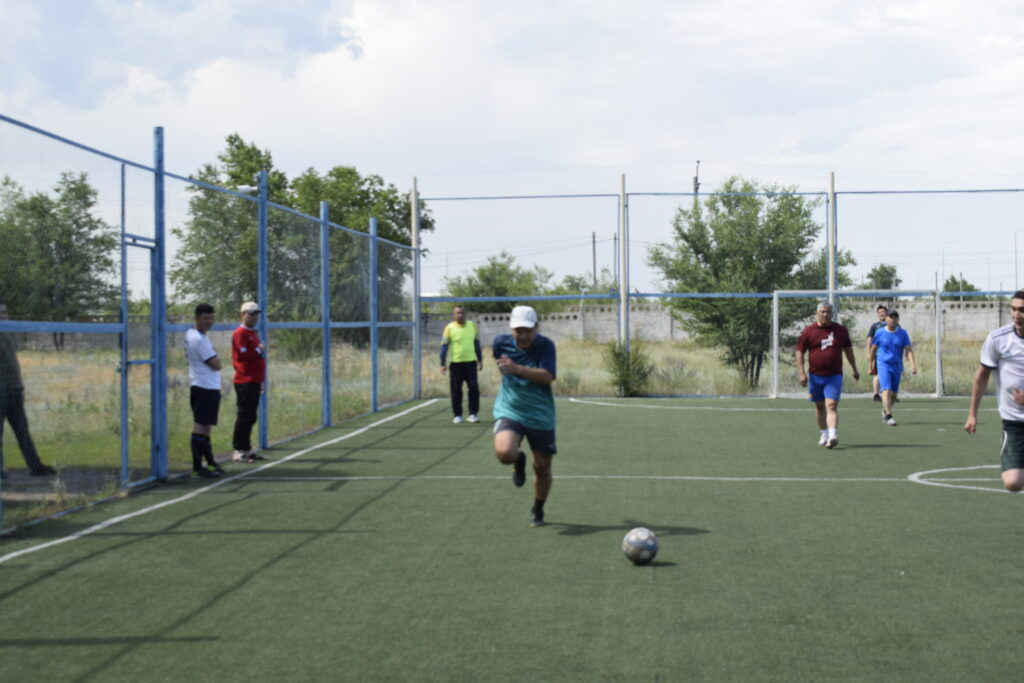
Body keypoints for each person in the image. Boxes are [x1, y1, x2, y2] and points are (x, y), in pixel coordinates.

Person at [492, 305, 557, 527]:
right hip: (510, 409)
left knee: (542, 467)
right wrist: (509, 370)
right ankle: (518, 460)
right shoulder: (500, 343)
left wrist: (517, 369)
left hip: (540, 414)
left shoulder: (546, 346)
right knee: (504, 452)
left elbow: (547, 376)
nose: (523, 335)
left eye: (528, 330)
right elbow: (500, 363)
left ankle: (538, 508)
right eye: (518, 331)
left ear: (536, 327)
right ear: (511, 329)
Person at [964, 290, 1024, 491]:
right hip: (1014, 421)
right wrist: (972, 414)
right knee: (1013, 483)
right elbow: (982, 376)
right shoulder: (998, 338)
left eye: (1022, 310)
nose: (1016, 315)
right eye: (1013, 309)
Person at [0, 302, 56, 478]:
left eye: (5, 312)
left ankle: (36, 466)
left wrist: (20, 387)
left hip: (14, 390)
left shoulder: (9, 333)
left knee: (22, 430)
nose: (3, 315)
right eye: (0, 313)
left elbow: (13, 362)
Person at [796, 301, 861, 449]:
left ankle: (832, 436)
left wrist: (854, 369)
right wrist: (802, 373)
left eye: (828, 312)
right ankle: (824, 433)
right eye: (823, 311)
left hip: (834, 375)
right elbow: (800, 352)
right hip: (815, 376)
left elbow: (848, 350)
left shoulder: (841, 330)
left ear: (832, 314)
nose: (825, 314)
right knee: (820, 407)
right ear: (817, 313)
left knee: (831, 405)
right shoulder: (808, 331)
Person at [185, 303, 224, 478]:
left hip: (208, 386)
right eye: (205, 318)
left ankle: (210, 463)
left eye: (211, 318)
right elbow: (216, 364)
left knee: (206, 426)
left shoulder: (197, 335)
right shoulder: (197, 339)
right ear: (197, 318)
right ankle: (197, 468)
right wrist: (216, 357)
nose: (209, 321)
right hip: (204, 386)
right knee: (201, 425)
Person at [869, 310, 917, 426]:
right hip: (883, 364)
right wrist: (870, 366)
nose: (893, 319)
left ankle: (885, 411)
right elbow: (873, 350)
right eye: (891, 317)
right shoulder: (880, 332)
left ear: (898, 319)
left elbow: (908, 350)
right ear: (886, 319)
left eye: (895, 317)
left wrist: (913, 365)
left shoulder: (903, 333)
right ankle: (889, 416)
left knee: (894, 394)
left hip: (896, 365)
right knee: (886, 390)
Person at [232, 301, 265, 463]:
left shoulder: (252, 332)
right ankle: (239, 450)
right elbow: (244, 354)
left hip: (254, 379)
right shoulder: (240, 333)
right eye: (250, 314)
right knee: (244, 415)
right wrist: (258, 349)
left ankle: (246, 448)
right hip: (244, 380)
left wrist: (261, 381)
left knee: (251, 416)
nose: (254, 317)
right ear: (242, 315)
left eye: (256, 314)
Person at [440, 305, 483, 424]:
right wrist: (442, 363)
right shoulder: (449, 328)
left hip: (471, 364)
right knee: (456, 390)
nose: (460, 315)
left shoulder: (472, 326)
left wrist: (480, 359)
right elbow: (444, 347)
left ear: (466, 314)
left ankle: (473, 414)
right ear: (454, 315)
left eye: (462, 313)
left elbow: (477, 344)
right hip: (456, 364)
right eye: (458, 313)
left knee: (474, 388)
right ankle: (457, 415)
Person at [866, 304, 889, 402]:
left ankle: (889, 394)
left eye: (883, 312)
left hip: (892, 354)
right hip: (879, 354)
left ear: (887, 313)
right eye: (879, 312)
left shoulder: (893, 324)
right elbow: (869, 339)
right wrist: (868, 352)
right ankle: (876, 394)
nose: (881, 314)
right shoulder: (875, 326)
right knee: (878, 374)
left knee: (891, 374)